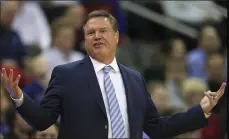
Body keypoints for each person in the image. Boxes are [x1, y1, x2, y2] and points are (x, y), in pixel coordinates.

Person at [0, 10, 226, 139]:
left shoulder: (135, 79)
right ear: (85, 39)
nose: (96, 36)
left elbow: (158, 128)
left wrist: (201, 110)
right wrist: (18, 95)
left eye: (103, 31)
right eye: (90, 33)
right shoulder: (65, 74)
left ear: (117, 37)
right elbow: (42, 121)